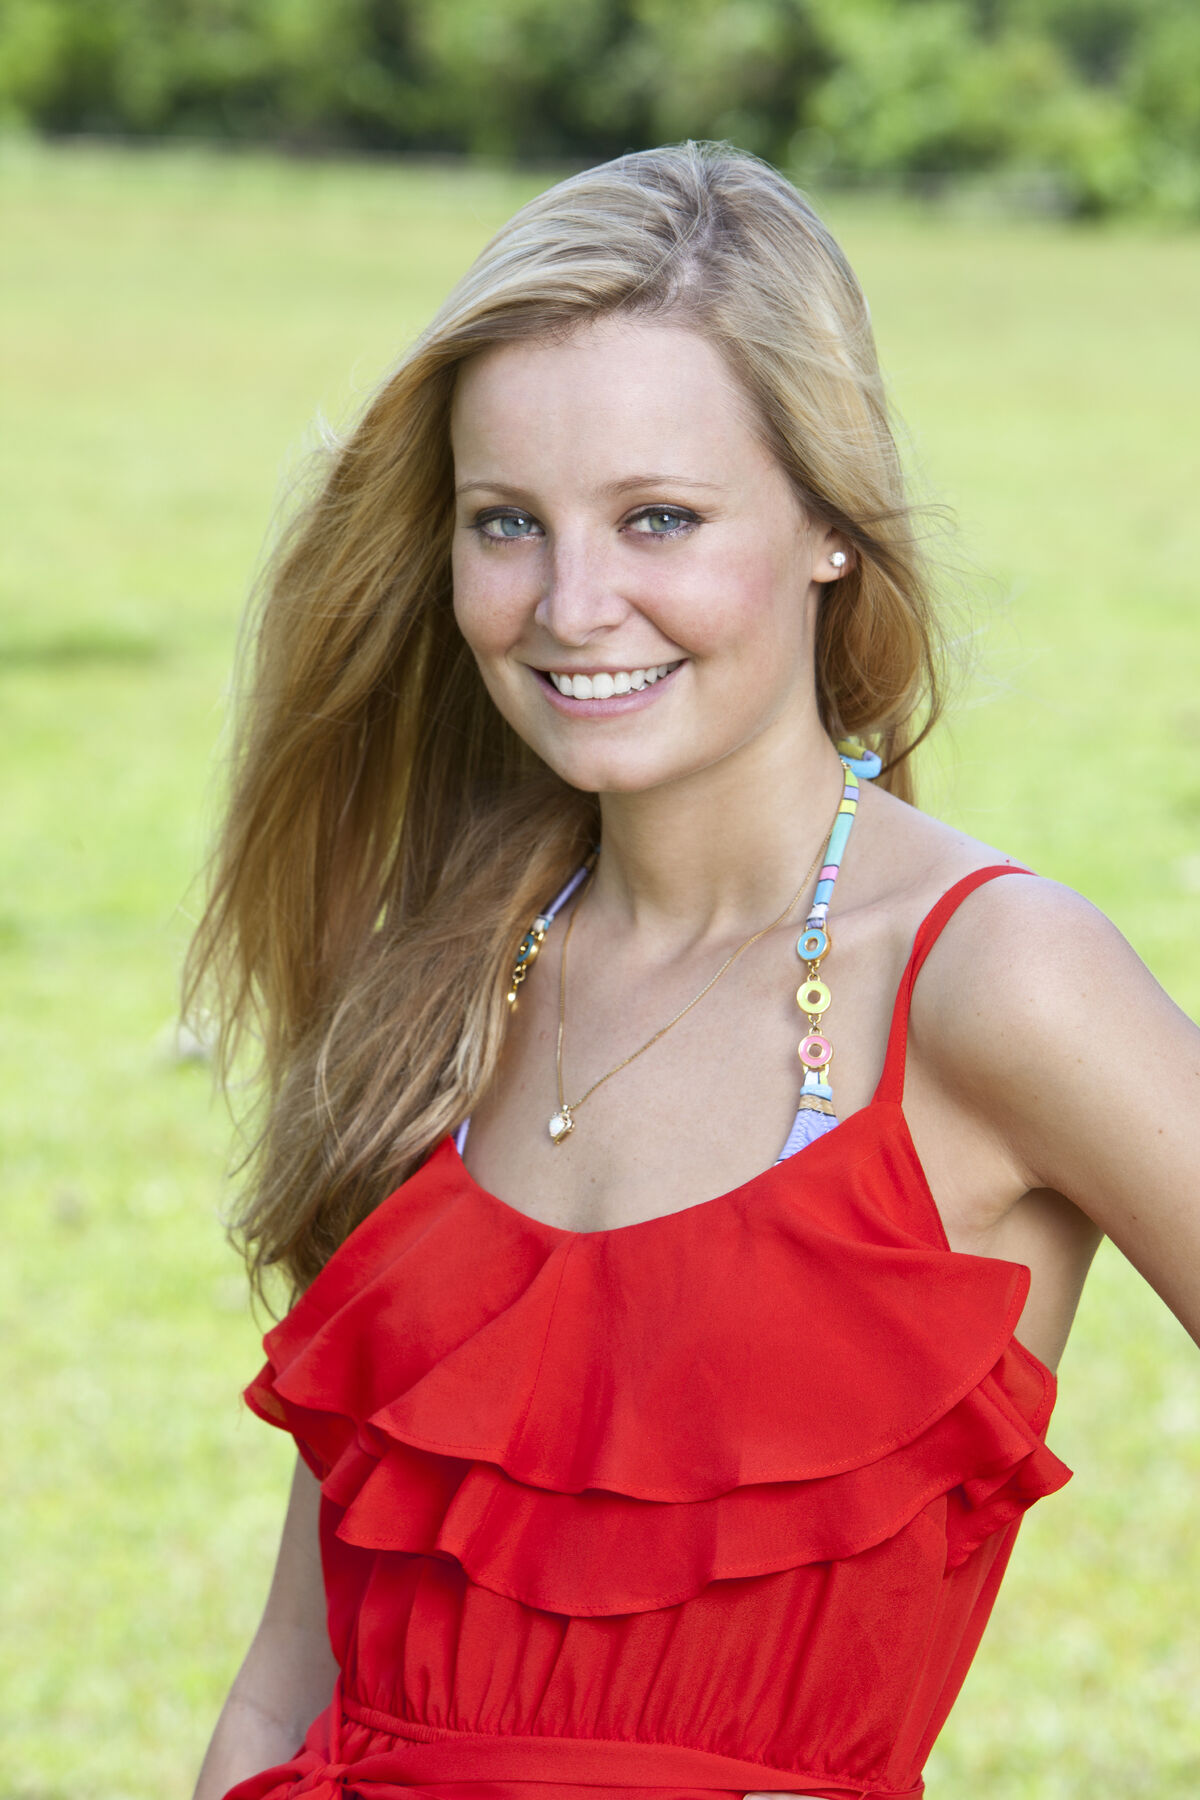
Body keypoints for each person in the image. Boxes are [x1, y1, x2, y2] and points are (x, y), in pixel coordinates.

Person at [187, 142, 1200, 1800]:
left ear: (829, 528)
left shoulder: (989, 979)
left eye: (658, 517)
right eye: (506, 524)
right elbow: (281, 1692)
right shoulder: (438, 987)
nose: (574, 604)